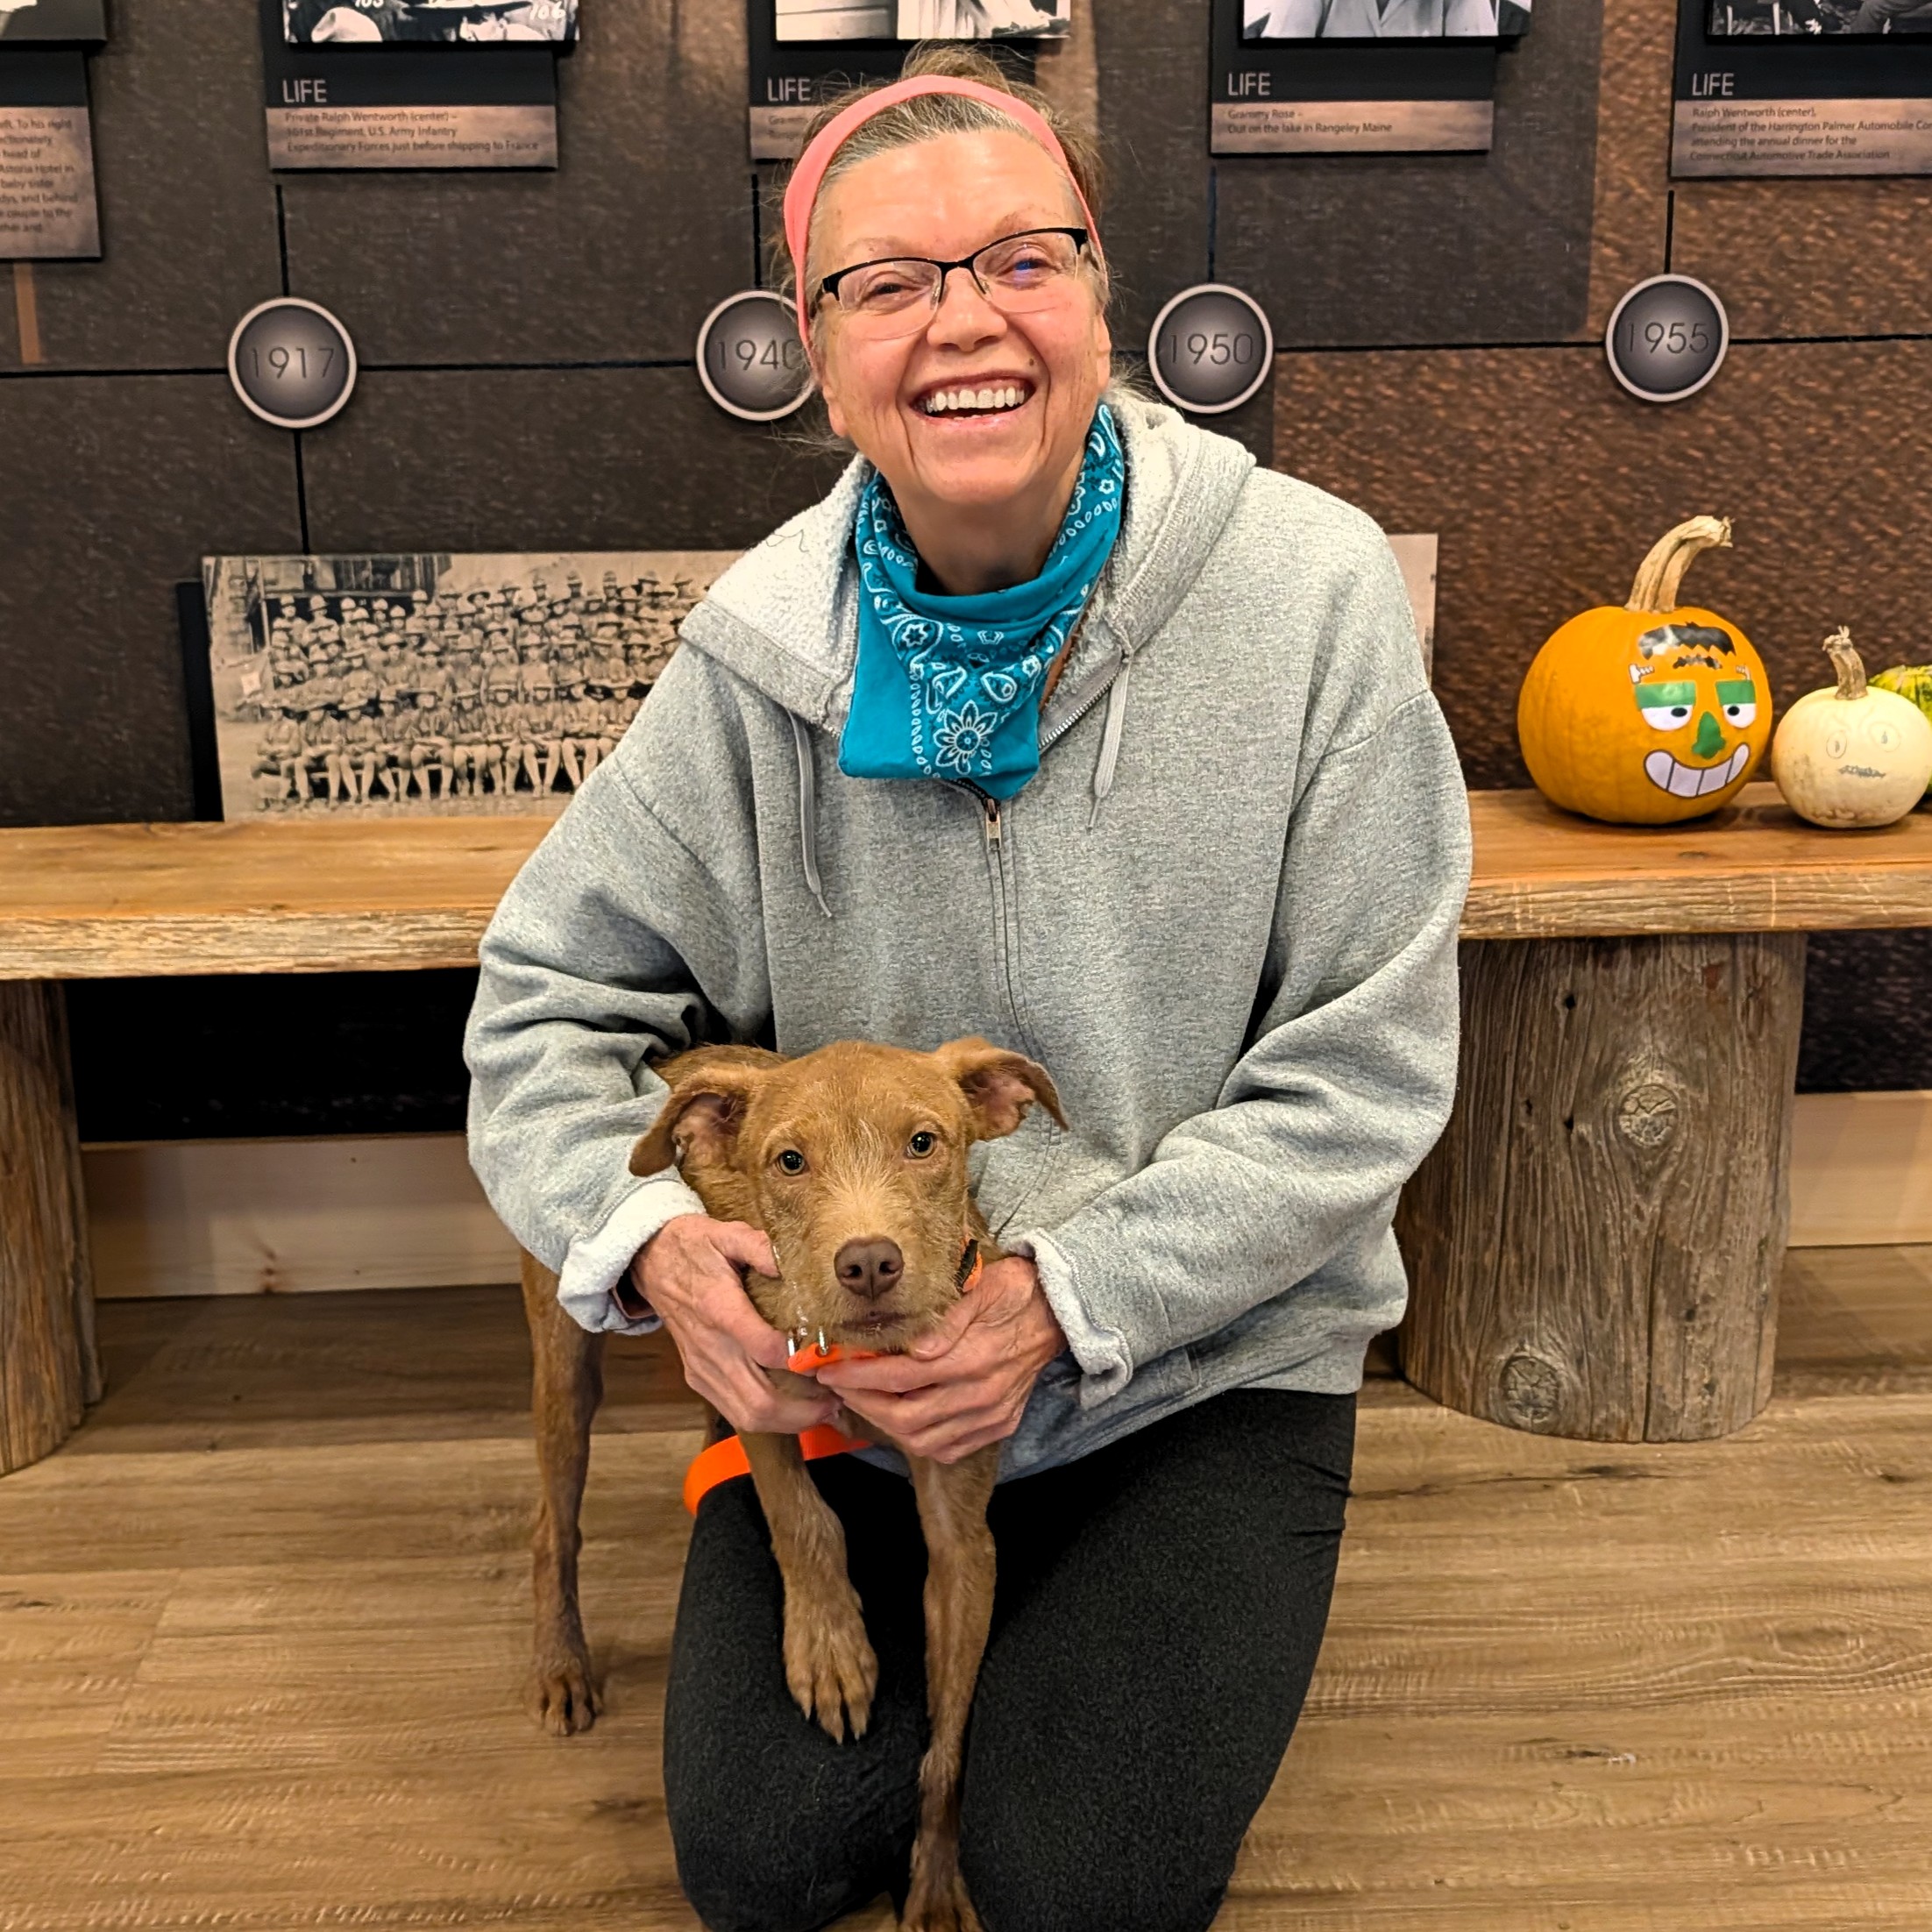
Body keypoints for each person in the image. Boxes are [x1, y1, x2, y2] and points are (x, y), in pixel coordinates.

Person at [464, 45, 1470, 1932]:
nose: (964, 324)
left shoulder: (1311, 596)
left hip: (1200, 1361)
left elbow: (1368, 1073)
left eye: (1021, 258)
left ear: (1099, 291)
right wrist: (653, 1246)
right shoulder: (755, 657)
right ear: (816, 349)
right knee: (765, 1860)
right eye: (889, 283)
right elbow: (537, 1008)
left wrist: (1068, 1298)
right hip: (862, 1373)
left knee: (1073, 1885)